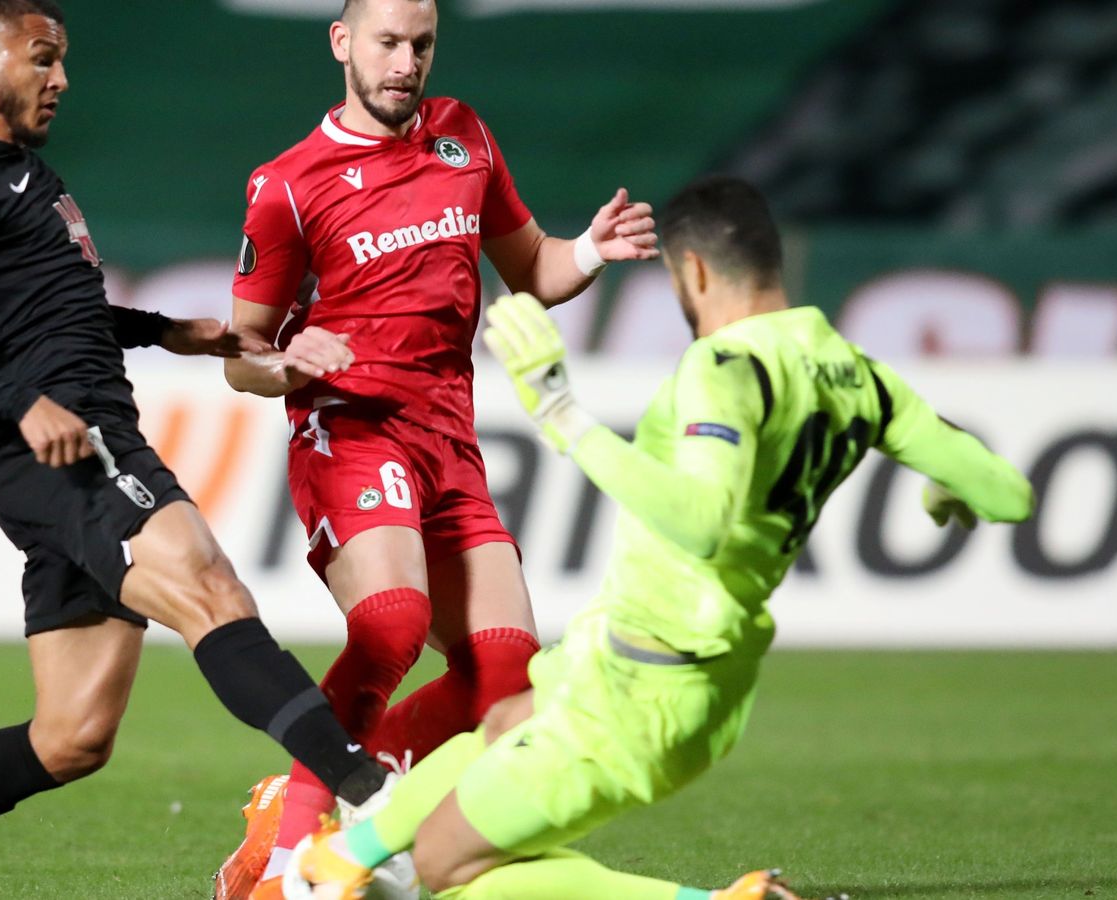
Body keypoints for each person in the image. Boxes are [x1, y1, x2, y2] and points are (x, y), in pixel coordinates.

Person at [0, 3, 398, 897]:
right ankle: (364, 795)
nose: (61, 80)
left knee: (72, 738)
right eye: (43, 60)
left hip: (81, 445)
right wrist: (20, 403)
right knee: (209, 587)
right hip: (68, 455)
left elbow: (44, 315)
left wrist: (169, 331)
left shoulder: (21, 175)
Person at [284, 175, 1035, 900]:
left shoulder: (725, 365)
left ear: (694, 270)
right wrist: (948, 484)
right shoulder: (860, 374)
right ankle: (342, 855)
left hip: (648, 685)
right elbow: (1007, 492)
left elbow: (702, 521)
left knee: (449, 871)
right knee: (507, 717)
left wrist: (562, 416)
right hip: (669, 664)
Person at [213, 1, 662, 896]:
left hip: (448, 440)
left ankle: (306, 791)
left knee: (504, 678)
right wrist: (287, 363)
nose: (405, 62)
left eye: (421, 44)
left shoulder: (465, 138)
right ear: (342, 43)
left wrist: (590, 251)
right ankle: (293, 860)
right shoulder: (290, 184)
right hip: (347, 428)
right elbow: (241, 356)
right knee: (391, 623)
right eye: (387, 42)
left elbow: (533, 267)